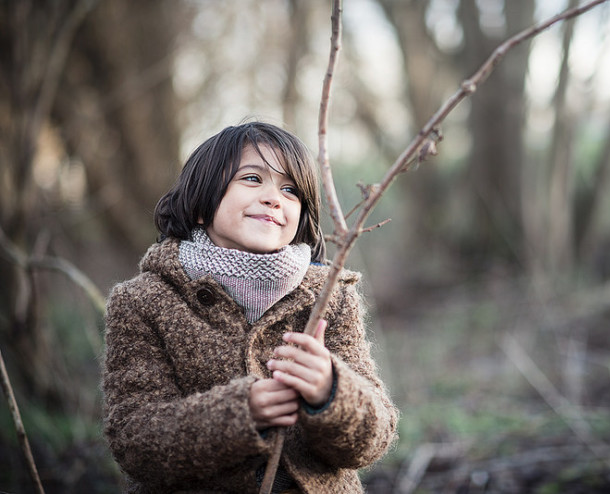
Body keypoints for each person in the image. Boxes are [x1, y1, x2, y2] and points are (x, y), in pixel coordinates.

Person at [102, 122, 398, 493]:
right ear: (200, 203)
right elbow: (134, 439)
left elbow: (375, 438)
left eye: (290, 189)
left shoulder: (330, 296)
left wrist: (330, 391)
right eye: (253, 179)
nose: (274, 197)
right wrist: (240, 413)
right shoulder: (142, 302)